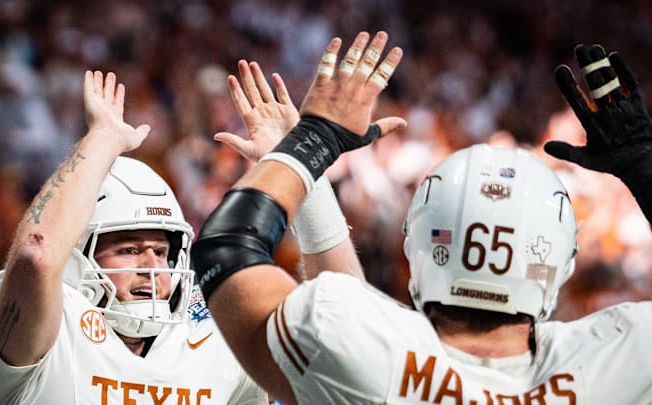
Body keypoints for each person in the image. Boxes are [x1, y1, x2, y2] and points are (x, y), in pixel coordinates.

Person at [190, 30, 652, 405]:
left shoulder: (355, 348)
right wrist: (645, 168)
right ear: (559, 260)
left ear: (417, 246)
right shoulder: (621, 360)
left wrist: (310, 145)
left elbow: (227, 248)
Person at [0, 70, 269, 404]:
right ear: (78, 255)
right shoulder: (52, 338)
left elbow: (327, 356)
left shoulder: (213, 346)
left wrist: (299, 174)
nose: (152, 267)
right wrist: (102, 138)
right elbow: (37, 255)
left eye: (162, 252)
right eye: (130, 249)